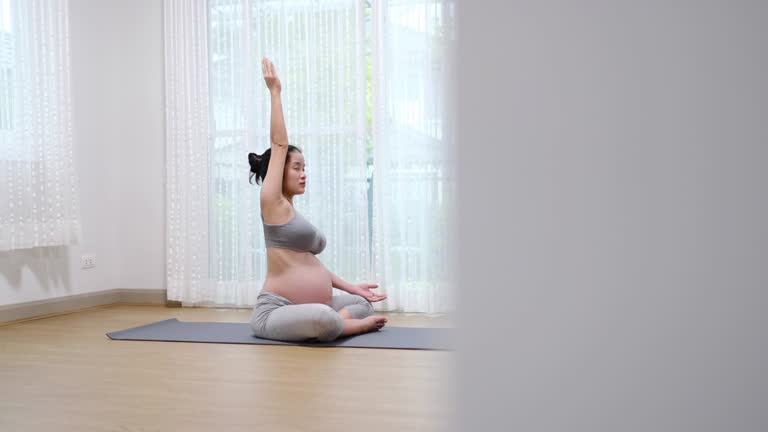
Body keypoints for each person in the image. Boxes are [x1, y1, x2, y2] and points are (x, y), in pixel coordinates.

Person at [247, 57, 388, 342]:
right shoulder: (271, 203)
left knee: (362, 304)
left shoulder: (291, 212)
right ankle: (347, 326)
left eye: (304, 168)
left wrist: (352, 289)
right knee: (323, 318)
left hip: (310, 306)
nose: (303, 174)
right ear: (278, 171)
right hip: (276, 311)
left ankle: (338, 322)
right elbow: (279, 144)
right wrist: (275, 92)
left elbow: (311, 264)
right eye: (296, 167)